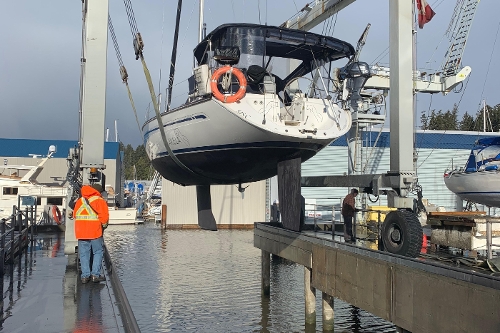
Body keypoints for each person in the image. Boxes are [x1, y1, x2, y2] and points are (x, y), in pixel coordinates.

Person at [73, 184, 109, 283]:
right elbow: (104, 218)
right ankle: (95, 275)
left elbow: (75, 215)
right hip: (95, 231)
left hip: (81, 232)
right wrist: (104, 227)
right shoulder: (99, 201)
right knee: (97, 252)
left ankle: (85, 276)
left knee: (84, 254)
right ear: (99, 192)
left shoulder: (80, 200)